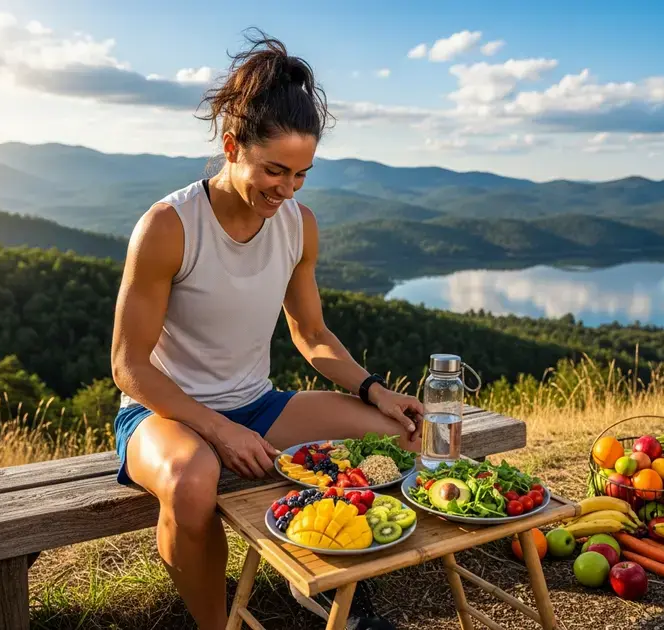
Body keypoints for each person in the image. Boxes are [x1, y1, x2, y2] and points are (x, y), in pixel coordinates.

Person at [110, 29, 424, 630]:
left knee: (396, 431)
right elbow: (128, 366)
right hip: (164, 416)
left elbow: (312, 333)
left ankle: (335, 587)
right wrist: (216, 429)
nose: (285, 190)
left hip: (258, 405)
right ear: (233, 146)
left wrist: (374, 389)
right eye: (274, 171)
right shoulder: (169, 227)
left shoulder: (298, 226)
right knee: (192, 478)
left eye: (302, 175)